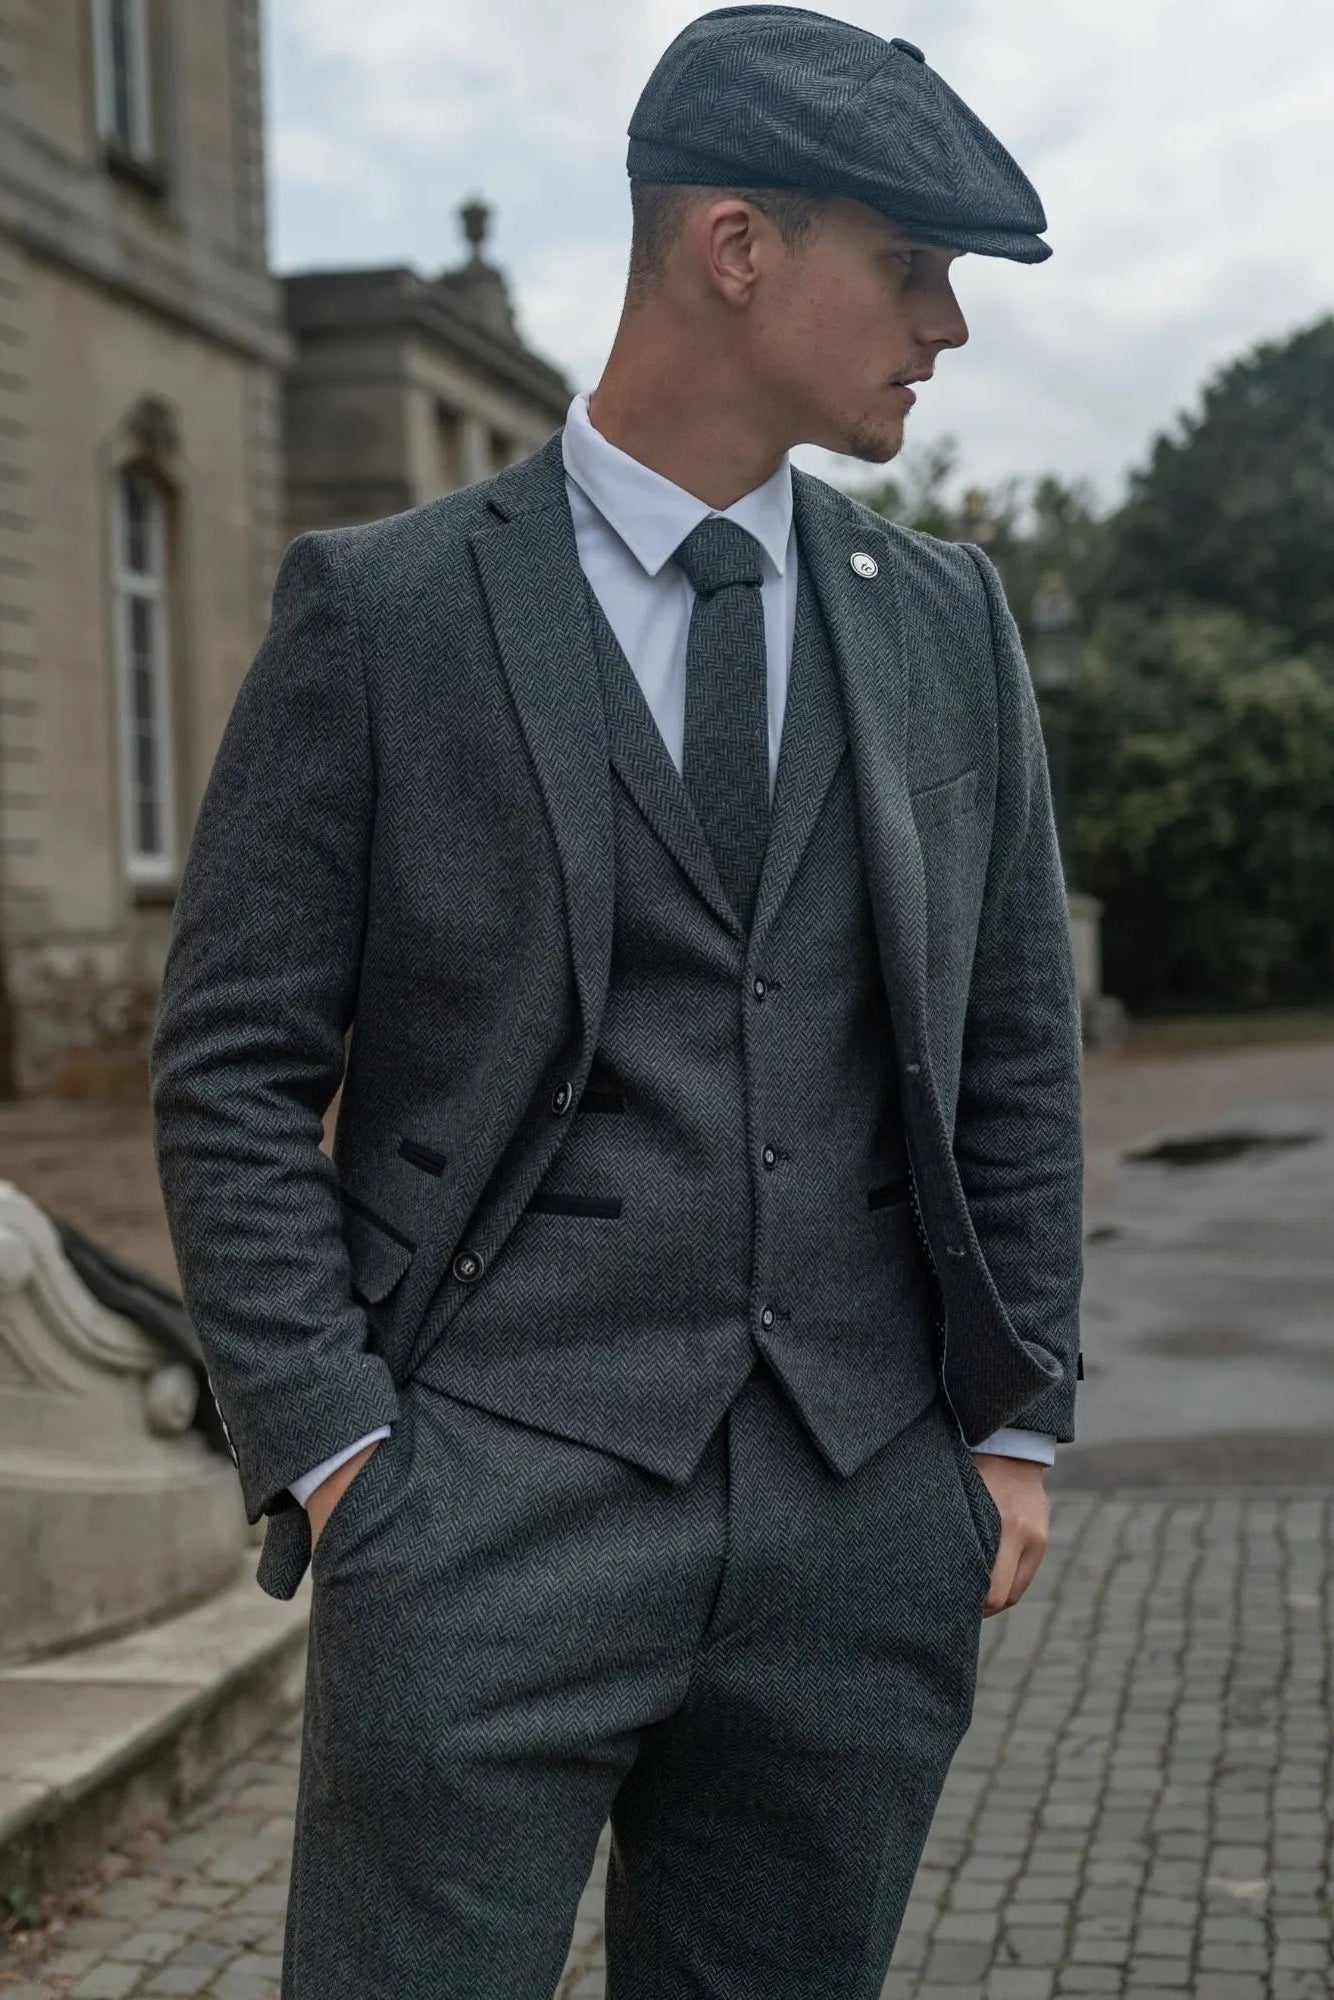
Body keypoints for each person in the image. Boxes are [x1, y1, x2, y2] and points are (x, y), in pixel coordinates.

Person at [149, 7, 1084, 1993]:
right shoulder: (386, 608)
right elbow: (231, 1064)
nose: (947, 324)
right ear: (734, 248)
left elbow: (1010, 1046)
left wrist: (1010, 1439)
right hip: (476, 1517)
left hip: (855, 1531)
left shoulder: (944, 625)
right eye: (909, 267)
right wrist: (333, 1446)